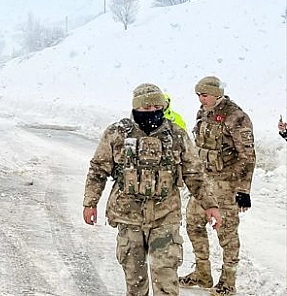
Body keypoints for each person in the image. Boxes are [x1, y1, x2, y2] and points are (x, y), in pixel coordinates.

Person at [83, 83, 221, 296]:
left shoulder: (176, 135)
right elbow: (98, 170)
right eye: (146, 108)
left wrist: (210, 204)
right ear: (136, 108)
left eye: (157, 106)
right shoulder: (118, 133)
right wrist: (90, 203)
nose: (152, 112)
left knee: (166, 276)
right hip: (129, 217)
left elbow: (195, 173)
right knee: (134, 278)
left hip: (165, 216)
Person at [180, 76, 256, 295]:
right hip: (205, 181)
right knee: (193, 222)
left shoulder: (236, 116)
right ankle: (202, 273)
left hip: (227, 183)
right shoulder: (203, 113)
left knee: (227, 232)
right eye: (198, 95)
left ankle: (228, 282)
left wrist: (243, 190)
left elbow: (248, 157)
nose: (201, 99)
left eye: (204, 95)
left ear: (217, 93)